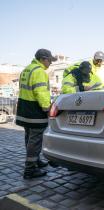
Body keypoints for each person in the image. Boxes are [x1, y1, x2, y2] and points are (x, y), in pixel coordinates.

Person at [16, 49, 57, 179]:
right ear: (43, 59)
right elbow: (41, 92)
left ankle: (35, 161)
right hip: (34, 110)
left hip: (24, 108)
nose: (50, 63)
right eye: (50, 60)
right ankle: (30, 170)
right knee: (35, 140)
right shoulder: (39, 72)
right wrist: (47, 108)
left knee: (29, 137)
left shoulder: (27, 69)